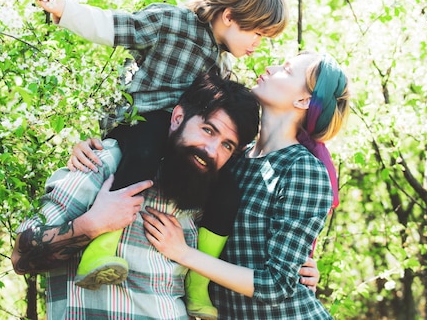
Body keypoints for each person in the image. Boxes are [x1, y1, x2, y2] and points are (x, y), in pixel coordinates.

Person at [36, 0, 289, 291]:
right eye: (257, 33)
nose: (258, 44)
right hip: (139, 120)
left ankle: (199, 285)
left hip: (179, 135)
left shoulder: (222, 61)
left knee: (226, 186)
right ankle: (99, 252)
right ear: (229, 16)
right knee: (147, 146)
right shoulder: (172, 22)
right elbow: (115, 26)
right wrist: (65, 10)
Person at [12, 73, 264, 318]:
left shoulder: (205, 198)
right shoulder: (107, 164)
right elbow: (20, 257)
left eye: (227, 145)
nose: (211, 150)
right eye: (208, 130)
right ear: (177, 117)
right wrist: (93, 224)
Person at [142, 52, 350, 319]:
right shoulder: (234, 155)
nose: (270, 67)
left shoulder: (303, 170)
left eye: (285, 70)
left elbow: (277, 285)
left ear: (303, 100)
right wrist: (100, 147)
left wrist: (183, 253)